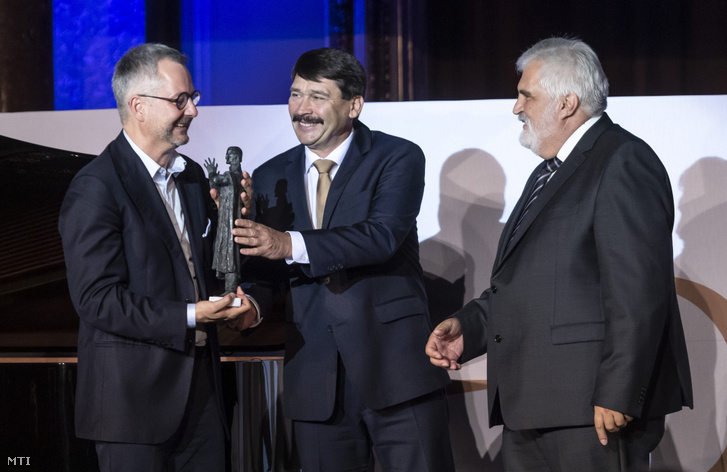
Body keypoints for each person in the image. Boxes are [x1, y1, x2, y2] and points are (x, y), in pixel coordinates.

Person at [426, 37, 693, 471]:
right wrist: (469, 329)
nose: (516, 107)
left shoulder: (622, 161)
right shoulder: (546, 173)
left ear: (567, 103)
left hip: (593, 412)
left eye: (526, 95)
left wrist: (619, 392)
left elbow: (639, 294)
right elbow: (530, 285)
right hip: (532, 409)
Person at [231, 47, 455, 471]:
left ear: (354, 105)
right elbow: (265, 269)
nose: (302, 109)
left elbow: (381, 236)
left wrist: (289, 244)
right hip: (315, 378)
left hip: (396, 372)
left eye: (317, 96)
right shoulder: (269, 175)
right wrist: (251, 305)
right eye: (295, 94)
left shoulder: (398, 156)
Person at [58, 43, 257, 472]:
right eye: (180, 100)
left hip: (203, 398)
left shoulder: (192, 176)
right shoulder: (96, 187)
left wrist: (234, 220)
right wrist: (192, 314)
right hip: (131, 408)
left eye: (193, 97)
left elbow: (202, 268)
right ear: (138, 106)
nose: (193, 110)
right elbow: (97, 301)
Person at [205, 146, 244, 294]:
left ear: (236, 157)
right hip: (226, 217)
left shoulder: (231, 176)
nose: (227, 158)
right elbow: (214, 187)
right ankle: (229, 288)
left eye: (229, 155)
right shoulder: (238, 177)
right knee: (226, 251)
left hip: (229, 218)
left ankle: (231, 289)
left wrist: (211, 172)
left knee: (229, 252)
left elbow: (216, 179)